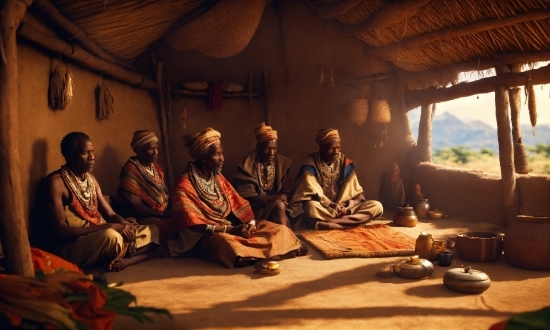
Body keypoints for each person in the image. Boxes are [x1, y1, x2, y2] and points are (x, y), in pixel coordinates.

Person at [166, 127, 306, 268]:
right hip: (202, 236)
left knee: (275, 229)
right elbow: (192, 224)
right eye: (218, 154)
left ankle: (262, 252)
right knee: (226, 244)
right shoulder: (183, 184)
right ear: (203, 157)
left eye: (222, 153)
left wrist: (250, 224)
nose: (222, 158)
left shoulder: (217, 178)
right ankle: (268, 252)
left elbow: (241, 204)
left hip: (228, 226)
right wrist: (231, 230)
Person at [44, 132, 162, 272]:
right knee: (111, 237)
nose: (92, 157)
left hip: (99, 233)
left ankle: (125, 258)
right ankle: (135, 255)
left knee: (152, 230)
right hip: (72, 244)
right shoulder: (55, 183)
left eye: (92, 152)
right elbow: (61, 230)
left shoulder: (90, 179)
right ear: (70, 155)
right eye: (85, 153)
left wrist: (123, 224)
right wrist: (109, 227)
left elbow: (110, 214)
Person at [290, 128, 383, 230]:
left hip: (343, 209)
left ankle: (331, 224)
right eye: (332, 148)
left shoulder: (344, 161)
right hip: (324, 208)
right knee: (310, 207)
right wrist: (331, 204)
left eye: (338, 147)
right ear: (321, 148)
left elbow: (358, 196)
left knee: (377, 206)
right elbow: (309, 189)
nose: (336, 152)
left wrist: (347, 208)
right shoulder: (311, 162)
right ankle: (349, 223)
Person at [234, 122, 293, 228]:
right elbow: (250, 198)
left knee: (285, 208)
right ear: (258, 147)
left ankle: (285, 236)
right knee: (279, 206)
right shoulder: (247, 166)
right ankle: (287, 236)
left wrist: (283, 197)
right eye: (268, 148)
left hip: (279, 207)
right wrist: (276, 198)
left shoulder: (281, 163)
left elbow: (287, 189)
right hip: (255, 210)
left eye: (274, 148)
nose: (271, 152)